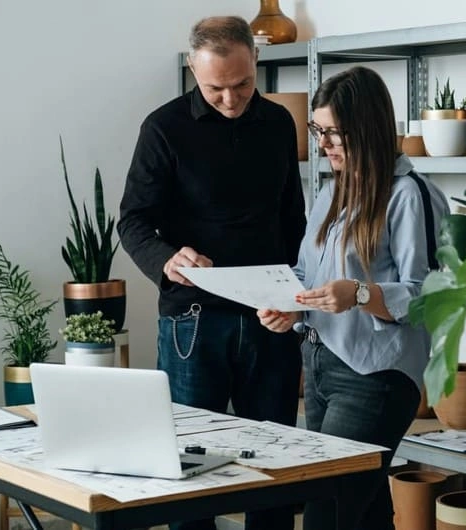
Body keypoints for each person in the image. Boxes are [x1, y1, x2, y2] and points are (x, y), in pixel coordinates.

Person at [117, 15, 306, 530]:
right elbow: (133, 221)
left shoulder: (278, 123)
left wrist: (295, 300)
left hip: (270, 318)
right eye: (215, 87)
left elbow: (294, 221)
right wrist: (166, 259)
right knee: (188, 470)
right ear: (194, 74)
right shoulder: (163, 128)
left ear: (256, 62)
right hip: (191, 322)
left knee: (274, 468)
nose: (230, 98)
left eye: (242, 84)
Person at [257, 66, 449, 530]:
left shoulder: (409, 195)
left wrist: (361, 293)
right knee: (362, 511)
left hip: (375, 376)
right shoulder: (331, 192)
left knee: (327, 510)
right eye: (318, 131)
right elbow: (307, 272)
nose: (323, 146)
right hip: (320, 364)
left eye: (335, 134)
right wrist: (291, 305)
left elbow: (428, 297)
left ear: (367, 129)